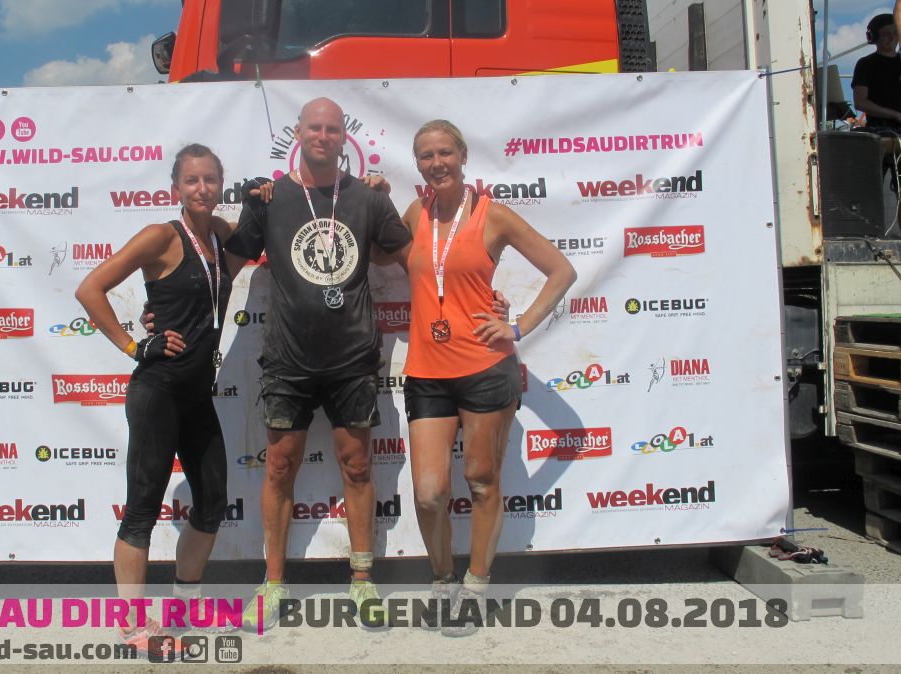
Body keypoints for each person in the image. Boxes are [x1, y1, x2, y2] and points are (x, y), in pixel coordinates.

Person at [225, 97, 415, 630]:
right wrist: (171, 304)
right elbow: (227, 261)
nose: (324, 136)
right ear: (298, 133)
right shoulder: (269, 198)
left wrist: (470, 299)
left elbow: (413, 257)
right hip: (288, 360)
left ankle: (363, 580)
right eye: (315, 127)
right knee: (278, 468)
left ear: (342, 138)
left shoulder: (367, 198)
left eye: (332, 129)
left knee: (358, 467)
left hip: (352, 359)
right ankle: (273, 583)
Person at [397, 120, 576, 636]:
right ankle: (442, 583)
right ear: (417, 164)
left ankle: (476, 589)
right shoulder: (415, 213)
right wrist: (371, 193)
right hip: (426, 371)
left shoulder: (491, 214)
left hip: (484, 367)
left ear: (463, 155)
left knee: (481, 481)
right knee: (429, 492)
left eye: (445, 152)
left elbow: (561, 270)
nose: (437, 163)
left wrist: (516, 326)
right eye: (426, 156)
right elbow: (381, 250)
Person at [75, 144, 244, 648]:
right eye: (192, 180)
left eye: (210, 179)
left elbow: (260, 236)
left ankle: (184, 607)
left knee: (212, 502)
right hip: (158, 392)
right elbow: (89, 289)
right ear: (176, 188)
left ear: (221, 185)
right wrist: (134, 345)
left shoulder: (221, 234)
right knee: (142, 509)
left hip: (197, 395)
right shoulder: (161, 236)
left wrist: (265, 198)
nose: (202, 189)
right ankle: (131, 625)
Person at [853, 12, 901, 239]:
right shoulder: (866, 64)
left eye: (895, 33)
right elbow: (860, 102)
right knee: (869, 194)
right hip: (876, 138)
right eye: (886, 34)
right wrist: (899, 116)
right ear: (873, 37)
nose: (892, 38)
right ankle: (869, 240)